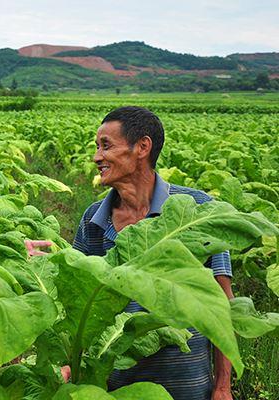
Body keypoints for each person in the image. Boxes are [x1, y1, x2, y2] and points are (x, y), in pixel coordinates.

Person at [73, 106, 233, 400]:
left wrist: (223, 387)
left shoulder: (196, 210)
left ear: (142, 147)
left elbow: (224, 307)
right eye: (96, 147)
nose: (97, 157)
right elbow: (75, 298)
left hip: (188, 388)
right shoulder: (93, 219)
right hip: (113, 388)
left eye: (106, 146)